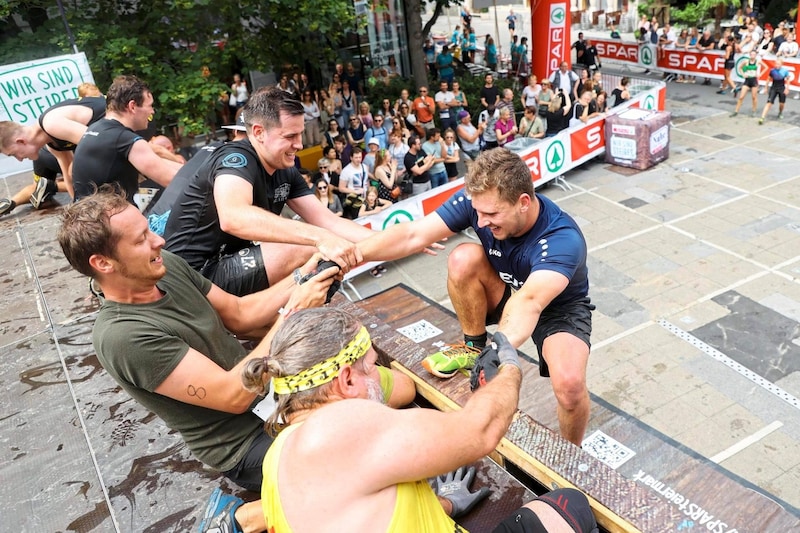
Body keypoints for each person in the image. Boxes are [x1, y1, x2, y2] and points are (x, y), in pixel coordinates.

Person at [56, 185, 339, 533]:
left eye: (149, 230)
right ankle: (240, 518)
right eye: (141, 239)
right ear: (103, 263)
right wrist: (294, 310)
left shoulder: (163, 266)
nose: (157, 241)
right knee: (353, 469)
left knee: (388, 395)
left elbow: (239, 313)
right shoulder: (123, 336)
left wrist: (304, 276)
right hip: (243, 442)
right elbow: (231, 396)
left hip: (272, 396)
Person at [242, 308, 595, 533]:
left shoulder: (277, 455)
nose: (378, 374)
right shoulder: (344, 428)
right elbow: (481, 430)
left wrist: (444, 505)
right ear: (346, 381)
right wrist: (510, 370)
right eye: (371, 366)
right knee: (570, 506)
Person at [357, 149, 594, 447]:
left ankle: (572, 454)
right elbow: (412, 235)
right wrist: (353, 254)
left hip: (556, 306)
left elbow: (530, 302)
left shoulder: (562, 238)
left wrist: (498, 351)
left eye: (492, 215)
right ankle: (473, 348)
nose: (480, 223)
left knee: (569, 386)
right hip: (509, 286)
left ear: (523, 202)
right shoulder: (481, 202)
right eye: (478, 212)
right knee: (463, 258)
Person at [163, 87, 374, 297]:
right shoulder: (236, 159)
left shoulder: (285, 170)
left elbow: (331, 222)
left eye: (300, 133)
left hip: (224, 265)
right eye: (290, 136)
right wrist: (321, 237)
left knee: (309, 255)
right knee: (307, 252)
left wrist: (388, 238)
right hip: (190, 276)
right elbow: (234, 217)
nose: (300, 144)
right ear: (257, 133)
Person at [72, 75, 182, 205]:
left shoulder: (97, 127)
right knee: (173, 190)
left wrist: (189, 168)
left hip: (84, 214)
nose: (152, 111)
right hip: (106, 219)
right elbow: (171, 179)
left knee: (150, 188)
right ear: (132, 106)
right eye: (150, 106)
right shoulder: (125, 139)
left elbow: (157, 162)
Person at [759, 57, 791, 124]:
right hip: (773, 88)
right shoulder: (772, 71)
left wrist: (787, 88)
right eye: (776, 64)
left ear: (781, 64)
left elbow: (788, 80)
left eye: (778, 64)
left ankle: (780, 112)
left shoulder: (785, 71)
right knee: (769, 103)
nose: (777, 65)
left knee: (781, 104)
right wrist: (766, 88)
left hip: (781, 88)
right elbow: (768, 79)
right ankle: (762, 117)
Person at [731, 50, 760, 117]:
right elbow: (740, 68)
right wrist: (743, 74)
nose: (752, 56)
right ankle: (736, 111)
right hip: (747, 80)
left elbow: (766, 67)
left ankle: (754, 110)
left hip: (754, 80)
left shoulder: (758, 62)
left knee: (754, 97)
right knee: (741, 97)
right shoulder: (746, 61)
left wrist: (759, 74)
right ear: (750, 55)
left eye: (754, 54)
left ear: (755, 55)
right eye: (751, 54)